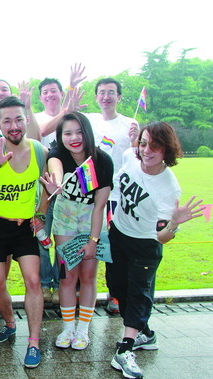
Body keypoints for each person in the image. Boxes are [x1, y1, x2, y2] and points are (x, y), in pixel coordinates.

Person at [106, 122, 205, 379]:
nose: (147, 150)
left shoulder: (168, 188)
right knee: (117, 287)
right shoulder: (130, 156)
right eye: (143, 142)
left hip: (146, 245)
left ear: (166, 150)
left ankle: (125, 349)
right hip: (118, 234)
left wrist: (174, 223)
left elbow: (162, 237)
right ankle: (145, 334)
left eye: (155, 145)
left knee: (138, 292)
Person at [0, 96, 48, 368]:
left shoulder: (39, 150)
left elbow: (48, 182)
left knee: (33, 280)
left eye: (19, 119)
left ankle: (33, 342)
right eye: (7, 121)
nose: (14, 125)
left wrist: (40, 214)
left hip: (24, 227)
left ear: (26, 120)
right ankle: (9, 323)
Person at [41, 112, 112, 350]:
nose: (74, 138)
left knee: (88, 276)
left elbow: (100, 206)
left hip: (92, 221)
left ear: (87, 132)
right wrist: (57, 184)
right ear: (60, 137)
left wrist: (93, 241)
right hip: (65, 222)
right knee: (67, 277)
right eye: (67, 133)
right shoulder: (57, 154)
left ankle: (84, 329)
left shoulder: (102, 161)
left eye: (79, 132)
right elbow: (56, 167)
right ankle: (68, 328)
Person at [86, 78, 140, 314]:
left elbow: (138, 157)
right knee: (87, 241)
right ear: (96, 96)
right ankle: (81, 292)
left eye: (111, 93)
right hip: (88, 192)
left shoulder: (130, 123)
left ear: (119, 97)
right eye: (101, 92)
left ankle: (115, 294)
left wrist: (137, 140)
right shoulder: (89, 121)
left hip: (117, 194)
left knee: (114, 246)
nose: (106, 97)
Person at [34, 66, 86, 305]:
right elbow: (40, 132)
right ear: (41, 96)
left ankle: (62, 282)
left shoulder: (71, 119)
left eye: (53, 90)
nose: (49, 94)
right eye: (45, 91)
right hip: (44, 187)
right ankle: (46, 284)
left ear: (60, 92)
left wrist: (71, 102)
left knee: (65, 238)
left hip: (70, 191)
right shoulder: (37, 117)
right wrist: (68, 107)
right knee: (41, 236)